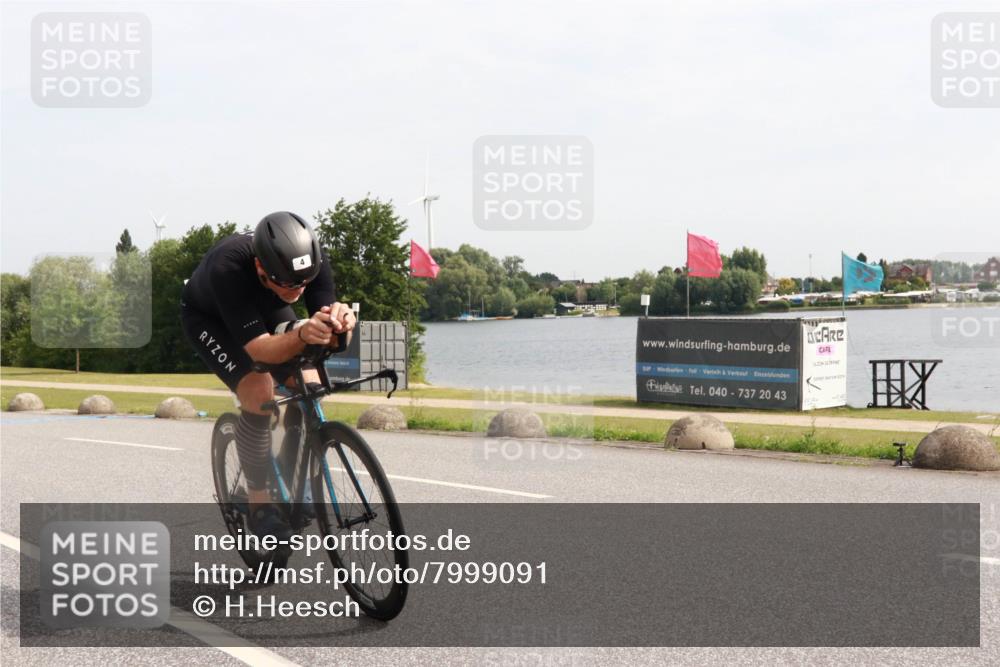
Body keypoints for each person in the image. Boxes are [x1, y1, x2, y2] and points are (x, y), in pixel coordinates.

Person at [180, 211, 356, 539]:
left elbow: (331, 335)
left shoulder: (306, 266)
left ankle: (292, 478)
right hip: (209, 318)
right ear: (261, 268)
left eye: (305, 282)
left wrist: (343, 324)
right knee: (259, 390)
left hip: (264, 303)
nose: (300, 291)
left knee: (311, 384)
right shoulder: (228, 266)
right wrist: (302, 334)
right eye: (290, 284)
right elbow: (260, 351)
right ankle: (259, 503)